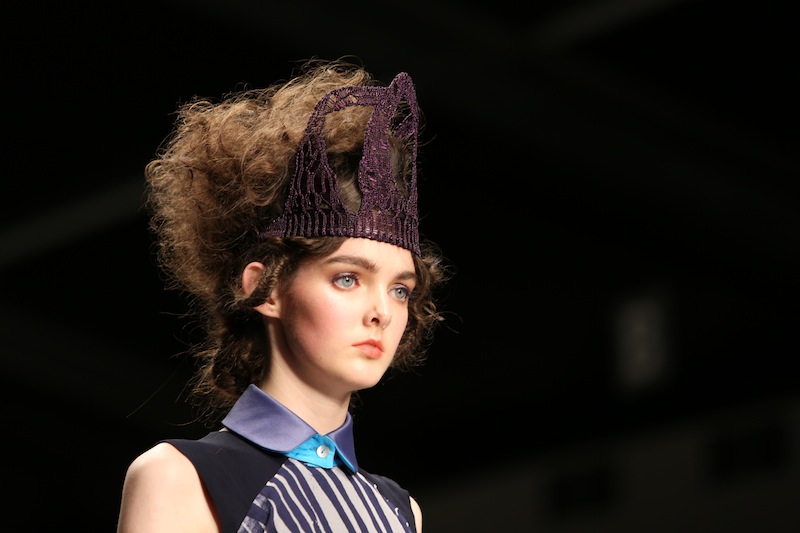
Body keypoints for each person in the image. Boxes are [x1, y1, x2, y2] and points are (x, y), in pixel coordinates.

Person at [116, 58, 450, 533]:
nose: (381, 312)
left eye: (400, 289)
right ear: (264, 287)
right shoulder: (181, 478)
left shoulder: (399, 511)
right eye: (347, 278)